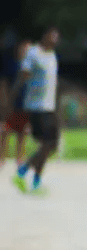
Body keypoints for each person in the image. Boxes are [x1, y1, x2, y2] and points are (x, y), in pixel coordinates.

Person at [9, 27, 61, 194]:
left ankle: (36, 182)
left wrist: (56, 106)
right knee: (47, 144)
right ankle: (22, 172)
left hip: (49, 107)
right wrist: (12, 99)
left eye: (57, 38)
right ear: (45, 36)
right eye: (52, 36)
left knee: (51, 146)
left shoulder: (52, 56)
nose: (55, 40)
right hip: (36, 107)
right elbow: (22, 75)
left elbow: (52, 83)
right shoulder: (33, 53)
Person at [1, 37, 32, 169]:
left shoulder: (31, 66)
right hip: (11, 102)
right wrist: (4, 100)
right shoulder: (11, 64)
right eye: (24, 48)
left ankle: (20, 158)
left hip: (25, 103)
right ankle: (2, 157)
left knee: (23, 131)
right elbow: (3, 83)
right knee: (5, 131)